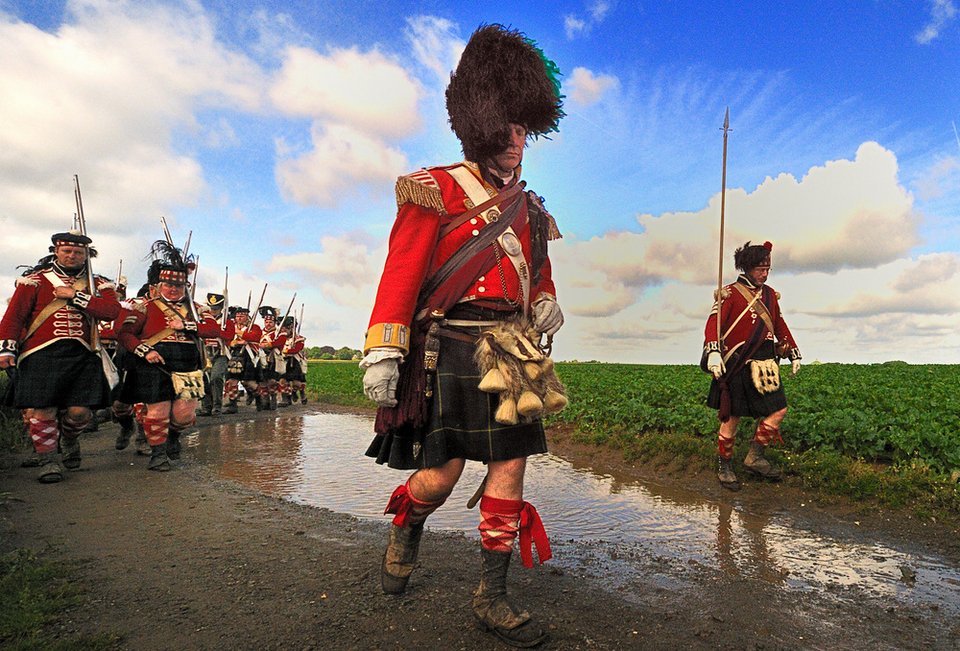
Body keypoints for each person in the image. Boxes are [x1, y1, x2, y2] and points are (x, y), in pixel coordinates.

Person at [360, 24, 566, 648]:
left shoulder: (529, 208)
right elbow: (401, 273)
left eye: (525, 129)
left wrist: (548, 300)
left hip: (512, 348)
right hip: (446, 347)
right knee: (441, 477)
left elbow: (540, 272)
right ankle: (408, 523)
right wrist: (384, 348)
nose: (518, 142)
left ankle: (492, 597)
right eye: (509, 128)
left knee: (511, 468)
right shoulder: (435, 188)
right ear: (481, 123)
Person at [0, 230, 120, 482]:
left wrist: (76, 296)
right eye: (67, 251)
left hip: (82, 353)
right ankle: (48, 460)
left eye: (78, 252)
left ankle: (69, 439)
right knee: (43, 410)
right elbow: (14, 317)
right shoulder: (34, 281)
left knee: (80, 413)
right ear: (56, 251)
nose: (72, 255)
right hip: (40, 353)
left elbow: (111, 312)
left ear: (86, 255)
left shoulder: (98, 283)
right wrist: (7, 349)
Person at [702, 240, 801, 491]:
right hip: (737, 365)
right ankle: (724, 466)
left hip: (766, 365)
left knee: (778, 410)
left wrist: (793, 351)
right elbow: (713, 324)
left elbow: (779, 324)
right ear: (747, 268)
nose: (765, 274)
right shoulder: (730, 293)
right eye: (760, 269)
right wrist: (713, 351)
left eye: (768, 269)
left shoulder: (769, 295)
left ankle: (754, 457)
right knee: (731, 417)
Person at [117, 241, 219, 471]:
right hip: (154, 364)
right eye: (169, 284)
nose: (173, 289)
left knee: (183, 415)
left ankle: (172, 436)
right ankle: (158, 454)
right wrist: (145, 351)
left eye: (179, 285)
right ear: (159, 285)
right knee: (157, 412)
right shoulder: (144, 307)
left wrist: (187, 325)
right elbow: (125, 335)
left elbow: (214, 331)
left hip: (188, 366)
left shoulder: (197, 310)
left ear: (186, 286)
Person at [197, 293, 234, 417]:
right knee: (204, 379)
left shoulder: (227, 322)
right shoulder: (203, 319)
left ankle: (217, 407)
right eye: (211, 308)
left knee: (216, 377)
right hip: (205, 353)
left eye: (215, 309)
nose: (213, 311)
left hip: (220, 354)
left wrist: (215, 331)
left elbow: (229, 336)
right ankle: (206, 407)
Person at [223, 306, 261, 413]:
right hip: (234, 355)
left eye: (242, 316)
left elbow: (255, 337)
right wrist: (231, 342)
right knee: (231, 380)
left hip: (248, 356)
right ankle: (233, 404)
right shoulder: (231, 327)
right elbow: (226, 338)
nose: (239, 318)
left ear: (247, 316)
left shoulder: (254, 327)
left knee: (249, 383)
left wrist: (240, 334)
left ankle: (258, 397)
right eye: (237, 316)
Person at [257, 306, 287, 411]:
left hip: (273, 358)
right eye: (266, 322)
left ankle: (273, 397)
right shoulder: (260, 332)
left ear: (274, 322)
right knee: (262, 380)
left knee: (272, 381)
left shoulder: (279, 332)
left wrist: (269, 344)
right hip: (261, 358)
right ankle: (265, 400)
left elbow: (281, 342)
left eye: (270, 322)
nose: (268, 324)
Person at [278, 316, 307, 407]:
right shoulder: (280, 337)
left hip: (295, 362)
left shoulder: (298, 338)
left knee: (297, 384)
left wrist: (288, 351)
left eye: (285, 328)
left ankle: (298, 392)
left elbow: (298, 349)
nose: (283, 330)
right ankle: (285, 399)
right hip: (283, 361)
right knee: (282, 381)